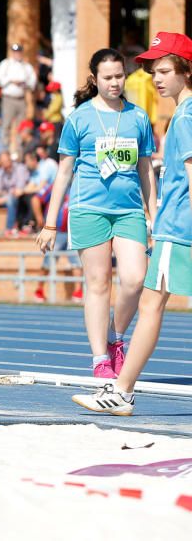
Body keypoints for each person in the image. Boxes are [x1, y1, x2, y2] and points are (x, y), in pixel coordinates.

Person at [73, 32, 192, 415]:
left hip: (178, 228)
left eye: (163, 70)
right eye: (151, 71)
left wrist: (161, 219)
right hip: (174, 225)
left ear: (185, 71)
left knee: (151, 303)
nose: (154, 79)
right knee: (149, 301)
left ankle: (121, 391)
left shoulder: (186, 117)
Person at [37, 48, 156, 379]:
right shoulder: (79, 119)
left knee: (134, 279)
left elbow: (146, 170)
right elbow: (63, 173)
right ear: (94, 80)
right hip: (88, 210)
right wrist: (49, 223)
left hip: (129, 210)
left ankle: (116, 337)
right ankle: (99, 357)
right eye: (108, 77)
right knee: (98, 283)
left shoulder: (138, 117)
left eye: (120, 76)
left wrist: (154, 214)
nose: (115, 82)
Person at [0, 43, 37, 153]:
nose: (17, 53)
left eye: (19, 51)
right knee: (6, 124)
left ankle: (18, 150)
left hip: (21, 98)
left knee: (21, 126)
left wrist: (23, 83)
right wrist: (11, 80)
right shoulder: (6, 64)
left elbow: (32, 82)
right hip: (9, 98)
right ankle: (3, 149)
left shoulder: (26, 66)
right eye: (15, 51)